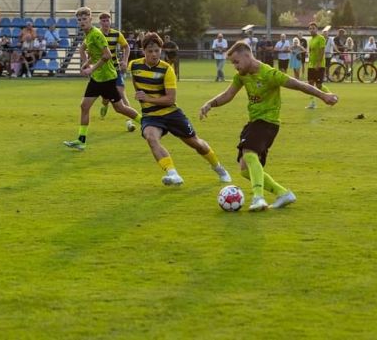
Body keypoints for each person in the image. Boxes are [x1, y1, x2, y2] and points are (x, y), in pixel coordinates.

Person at [199, 41, 338, 211]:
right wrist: (210, 104)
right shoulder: (242, 75)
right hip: (254, 122)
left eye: (236, 62)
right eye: (232, 63)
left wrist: (323, 95)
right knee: (244, 169)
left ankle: (258, 198)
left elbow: (298, 85)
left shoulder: (269, 74)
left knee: (249, 153)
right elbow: (229, 94)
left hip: (267, 122)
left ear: (247, 56)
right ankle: (283, 193)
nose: (235, 66)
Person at [129, 32, 231, 186]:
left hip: (171, 113)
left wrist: (147, 98)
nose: (154, 54)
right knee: (151, 138)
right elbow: (116, 66)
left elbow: (171, 99)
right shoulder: (134, 66)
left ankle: (218, 168)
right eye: (150, 51)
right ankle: (173, 174)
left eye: (157, 51)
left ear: (161, 50)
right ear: (143, 51)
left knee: (196, 144)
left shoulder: (167, 69)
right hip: (151, 116)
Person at [63, 7, 141, 151]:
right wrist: (86, 63)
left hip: (107, 78)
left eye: (84, 19)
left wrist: (92, 68)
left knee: (120, 108)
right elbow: (96, 54)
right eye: (79, 20)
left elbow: (107, 55)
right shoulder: (88, 35)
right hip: (97, 78)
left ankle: (146, 123)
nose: (82, 22)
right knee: (84, 106)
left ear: (90, 19)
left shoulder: (96, 34)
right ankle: (81, 141)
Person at [97, 12, 134, 128]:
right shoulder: (96, 35)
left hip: (115, 69)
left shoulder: (116, 34)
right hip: (102, 71)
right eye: (103, 21)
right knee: (105, 98)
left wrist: (125, 60)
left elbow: (126, 46)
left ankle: (129, 121)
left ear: (110, 21)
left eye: (107, 20)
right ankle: (105, 104)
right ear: (100, 23)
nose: (105, 23)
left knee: (122, 94)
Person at [305, 22, 327, 109]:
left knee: (319, 85)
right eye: (310, 28)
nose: (311, 30)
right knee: (310, 85)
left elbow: (322, 52)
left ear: (317, 29)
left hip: (319, 65)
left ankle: (331, 96)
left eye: (313, 28)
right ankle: (312, 103)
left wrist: (318, 63)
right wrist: (309, 61)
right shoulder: (310, 40)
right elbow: (310, 52)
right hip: (311, 65)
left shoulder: (321, 38)